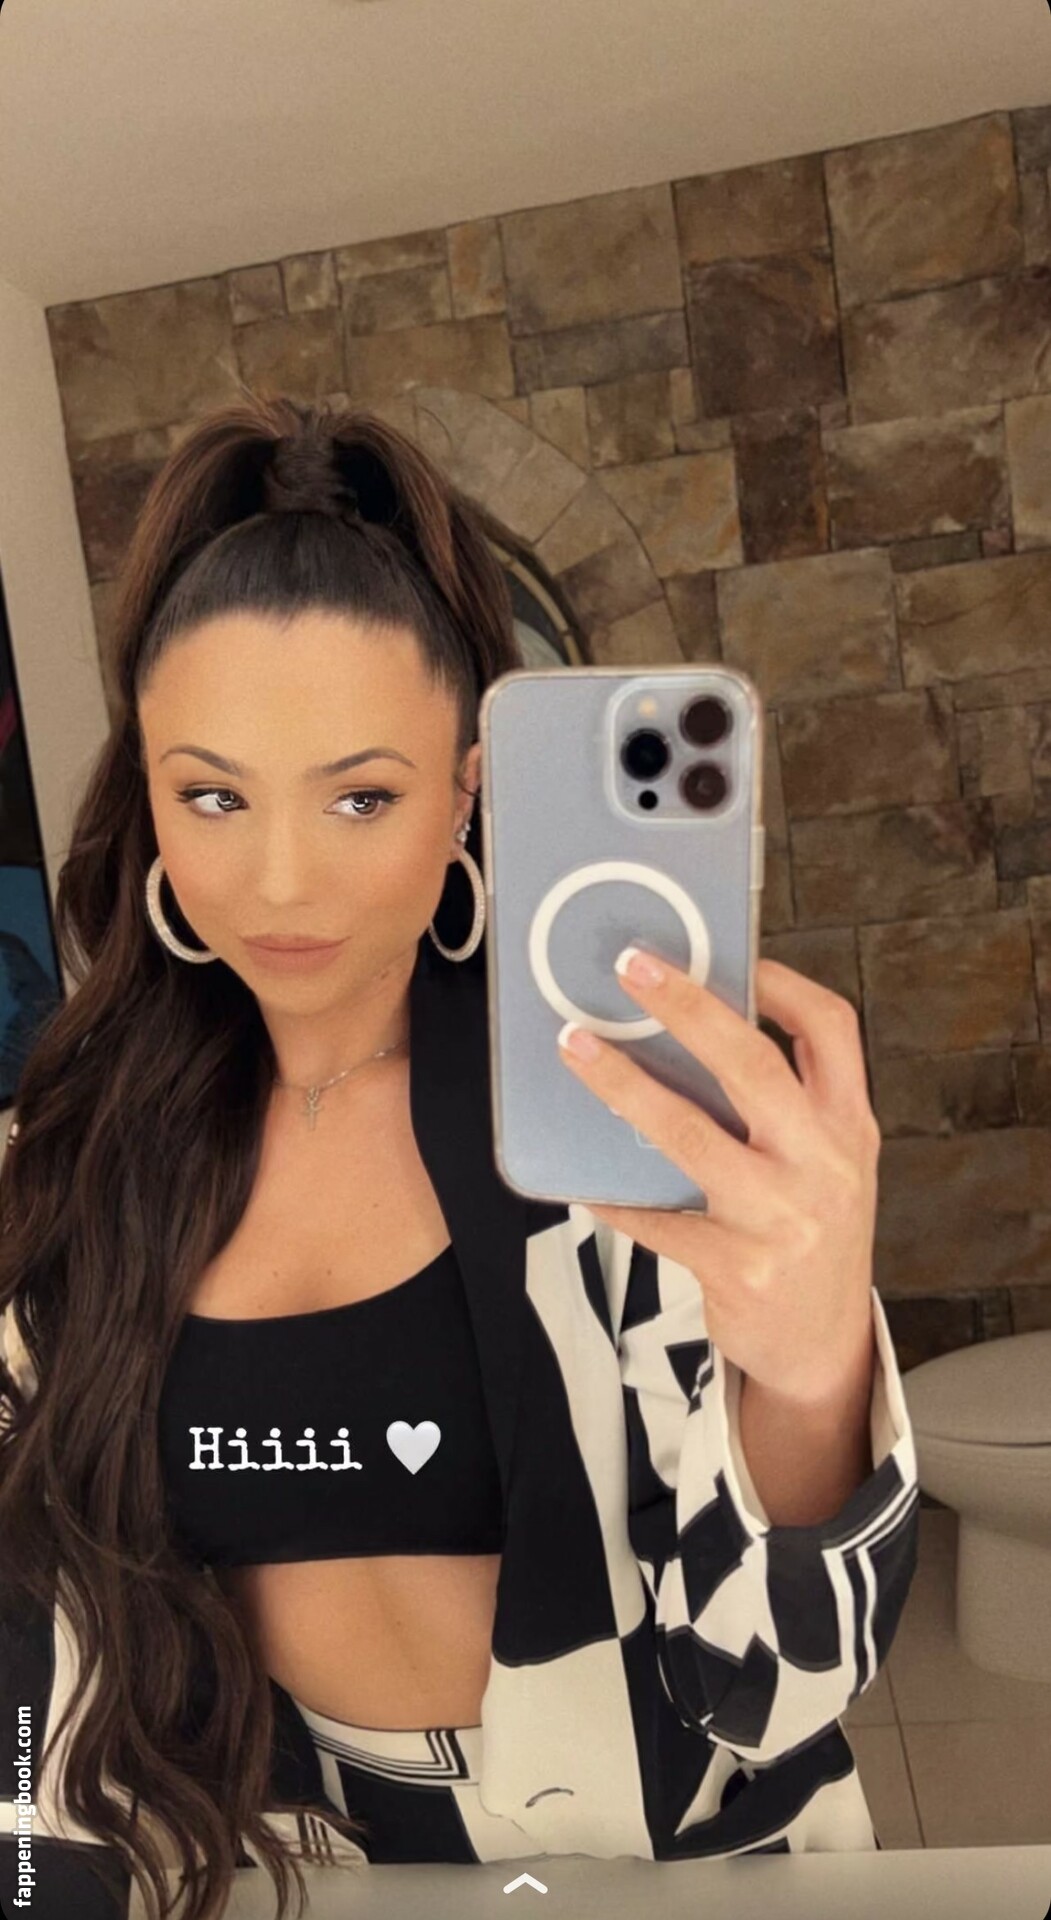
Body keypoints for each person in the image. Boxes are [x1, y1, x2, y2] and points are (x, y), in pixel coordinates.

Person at [0, 393, 920, 1920]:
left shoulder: (619, 1124)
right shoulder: (80, 1166)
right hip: (288, 1866)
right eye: (213, 794)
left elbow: (773, 1688)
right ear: (148, 795)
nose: (280, 880)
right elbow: (40, 1648)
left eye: (362, 794)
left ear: (466, 791)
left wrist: (814, 1370)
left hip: (662, 1861)